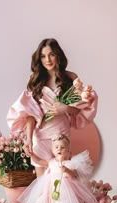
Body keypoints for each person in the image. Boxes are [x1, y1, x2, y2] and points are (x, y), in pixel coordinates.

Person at [7, 38, 98, 177]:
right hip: (39, 134)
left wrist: (65, 108)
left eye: (51, 55)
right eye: (43, 56)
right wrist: (29, 139)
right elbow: (30, 114)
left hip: (60, 134)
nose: (47, 60)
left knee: (62, 178)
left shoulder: (71, 78)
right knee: (41, 181)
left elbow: (78, 109)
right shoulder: (34, 79)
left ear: (58, 56)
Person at [17, 134, 97, 203]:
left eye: (62, 147)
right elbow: (38, 161)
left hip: (65, 191)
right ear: (53, 150)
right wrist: (32, 155)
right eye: (56, 147)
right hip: (50, 189)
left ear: (67, 150)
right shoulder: (51, 162)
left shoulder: (69, 163)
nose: (59, 149)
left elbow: (74, 175)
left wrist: (66, 170)